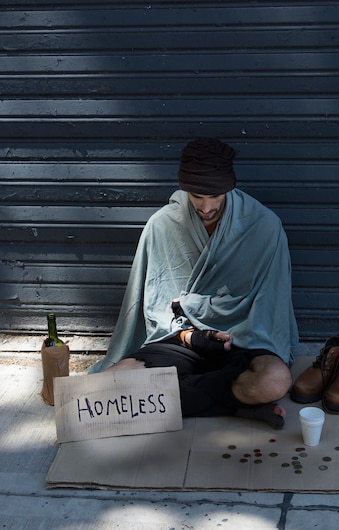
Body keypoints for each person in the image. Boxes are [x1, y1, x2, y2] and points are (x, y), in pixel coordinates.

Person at [90, 138, 299, 429]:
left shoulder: (264, 225)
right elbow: (155, 307)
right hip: (183, 339)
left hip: (244, 340)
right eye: (197, 196)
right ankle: (236, 405)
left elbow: (270, 308)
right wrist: (191, 336)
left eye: (215, 196)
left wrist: (228, 330)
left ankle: (166, 397)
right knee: (114, 380)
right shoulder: (162, 225)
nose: (206, 206)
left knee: (275, 381)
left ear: (230, 187)